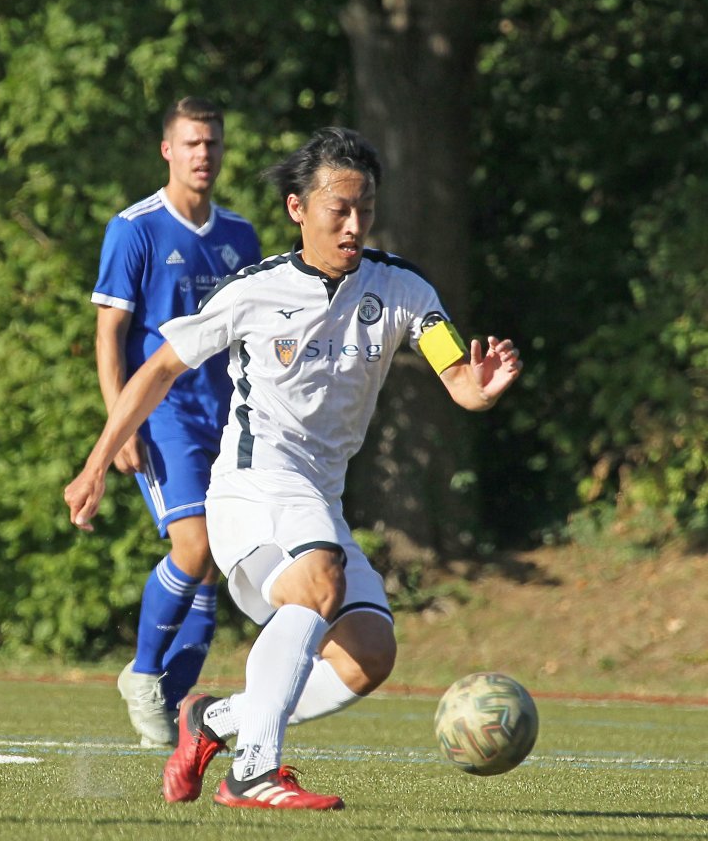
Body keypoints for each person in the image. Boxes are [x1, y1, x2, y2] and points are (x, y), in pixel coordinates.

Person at [66, 126, 522, 809]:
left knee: (369, 654)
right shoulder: (254, 289)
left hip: (319, 498)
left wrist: (477, 390)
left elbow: (455, 372)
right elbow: (158, 367)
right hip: (253, 486)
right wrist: (98, 462)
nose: (354, 224)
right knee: (319, 580)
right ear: (297, 209)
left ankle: (213, 720)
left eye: (365, 208)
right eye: (338, 208)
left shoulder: (402, 288)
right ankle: (254, 769)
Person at [92, 97, 262, 747]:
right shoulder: (134, 229)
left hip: (228, 419)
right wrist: (120, 423)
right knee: (193, 547)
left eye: (212, 144)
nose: (203, 155)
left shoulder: (239, 237)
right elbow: (110, 334)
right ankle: (141, 675)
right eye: (191, 143)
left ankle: (168, 705)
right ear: (168, 149)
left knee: (213, 559)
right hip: (163, 415)